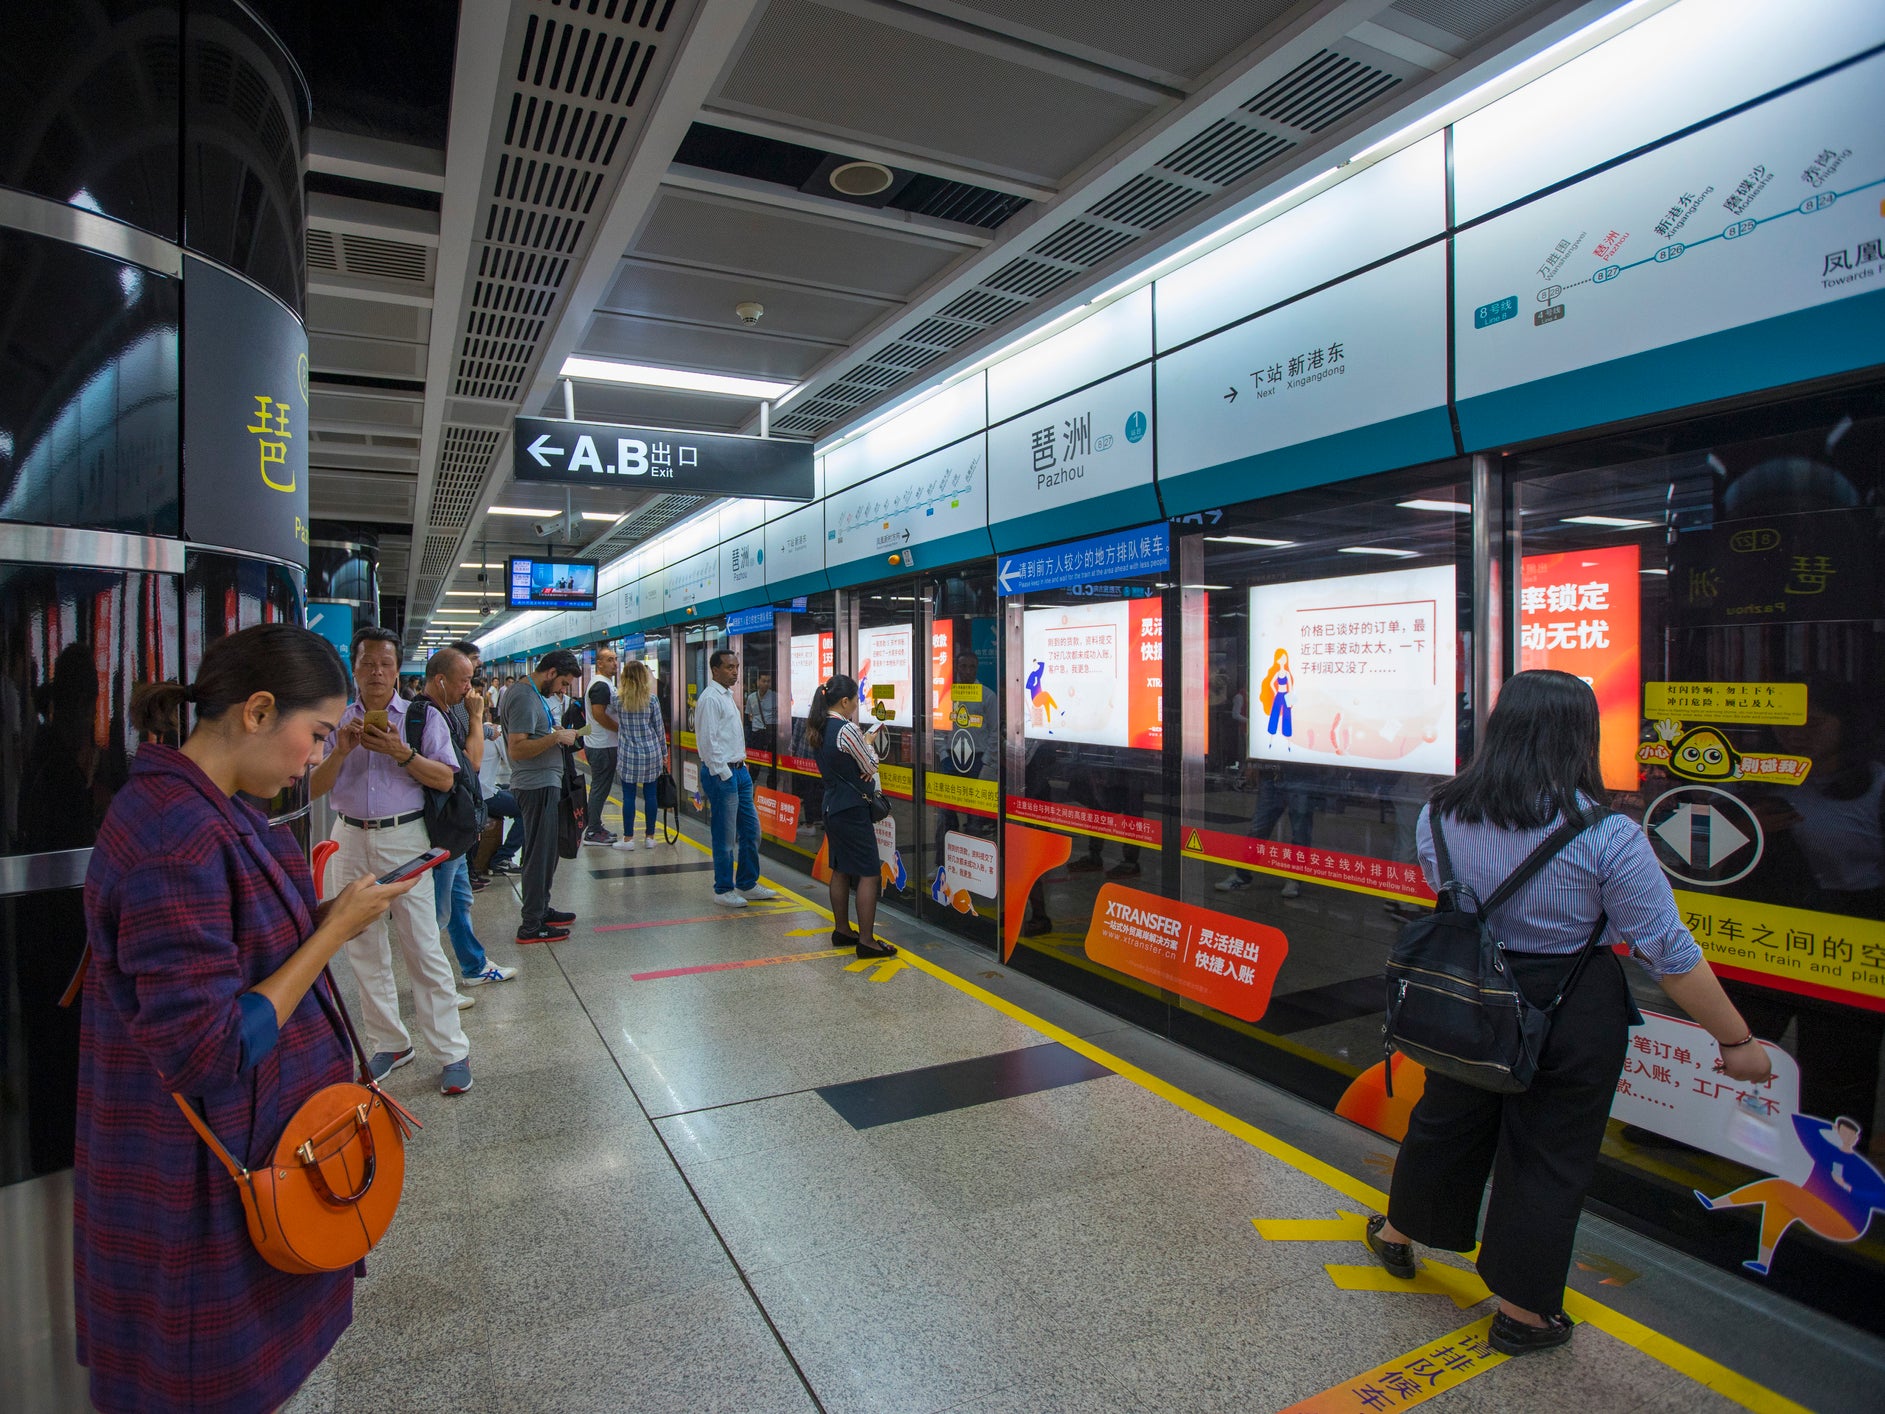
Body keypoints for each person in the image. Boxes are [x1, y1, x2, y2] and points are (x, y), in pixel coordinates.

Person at [1367, 670, 1774, 1356]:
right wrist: (1735, 1039)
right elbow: (1664, 951)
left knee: (1446, 1118)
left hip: (1469, 989)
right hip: (1569, 1002)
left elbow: (1447, 892)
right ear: (1582, 737)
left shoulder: (1438, 811)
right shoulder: (1609, 834)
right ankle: (1523, 1314)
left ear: (1499, 728)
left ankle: (1399, 1236)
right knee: (1548, 1153)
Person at [75, 623, 417, 1413]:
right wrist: (332, 932)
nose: (314, 759)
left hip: (237, 1152)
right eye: (316, 734)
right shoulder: (176, 836)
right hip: (200, 1187)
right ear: (258, 711)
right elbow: (209, 1048)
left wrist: (333, 916)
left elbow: (233, 951)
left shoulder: (202, 807)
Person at [309, 627, 478, 1094]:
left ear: (397, 668)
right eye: (368, 663)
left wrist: (402, 753)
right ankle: (389, 1041)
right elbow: (313, 788)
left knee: (421, 944)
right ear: (354, 667)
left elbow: (446, 778)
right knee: (362, 947)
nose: (377, 672)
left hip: (404, 837)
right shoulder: (337, 722)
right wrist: (341, 750)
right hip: (348, 836)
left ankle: (451, 1050)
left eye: (386, 663)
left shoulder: (421, 718)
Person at [423, 647, 518, 991]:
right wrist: (476, 717)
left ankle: (473, 965)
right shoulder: (438, 715)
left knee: (459, 901)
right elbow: (473, 764)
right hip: (445, 829)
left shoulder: (447, 711)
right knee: (435, 913)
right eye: (465, 679)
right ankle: (433, 989)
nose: (470, 687)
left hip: (456, 830)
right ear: (441, 679)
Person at [807, 673, 895, 958]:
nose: (856, 705)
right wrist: (868, 740)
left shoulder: (820, 726)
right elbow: (870, 765)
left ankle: (842, 930)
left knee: (841, 869)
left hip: (832, 806)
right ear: (844, 701)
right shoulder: (846, 729)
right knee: (869, 872)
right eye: (855, 700)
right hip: (851, 809)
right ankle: (867, 941)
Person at [501, 648, 583, 942]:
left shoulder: (534, 695)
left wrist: (553, 730)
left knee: (546, 853)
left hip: (545, 781)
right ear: (551, 673)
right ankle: (531, 924)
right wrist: (555, 737)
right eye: (562, 683)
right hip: (534, 785)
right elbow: (518, 748)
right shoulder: (523, 696)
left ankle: (541, 907)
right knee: (538, 855)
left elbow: (532, 735)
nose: (562, 690)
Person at [696, 647, 776, 907]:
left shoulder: (728, 695)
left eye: (737, 667)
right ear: (715, 670)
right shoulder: (711, 698)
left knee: (751, 831)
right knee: (725, 834)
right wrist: (724, 773)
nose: (735, 672)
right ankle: (723, 889)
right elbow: (708, 743)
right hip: (723, 774)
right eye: (729, 667)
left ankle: (747, 883)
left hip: (739, 771)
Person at [613, 658, 669, 851]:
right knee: (650, 795)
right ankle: (649, 837)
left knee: (628, 796)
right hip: (651, 753)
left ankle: (628, 839)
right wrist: (664, 753)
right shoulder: (652, 699)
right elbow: (659, 729)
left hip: (628, 754)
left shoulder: (618, 700)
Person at [583, 643, 621, 845]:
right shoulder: (600, 685)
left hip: (602, 744)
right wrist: (620, 729)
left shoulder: (604, 683)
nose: (614, 663)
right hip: (602, 746)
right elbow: (599, 714)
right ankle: (593, 831)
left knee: (601, 787)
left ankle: (595, 825)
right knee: (600, 787)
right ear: (599, 664)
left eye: (615, 659)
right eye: (609, 660)